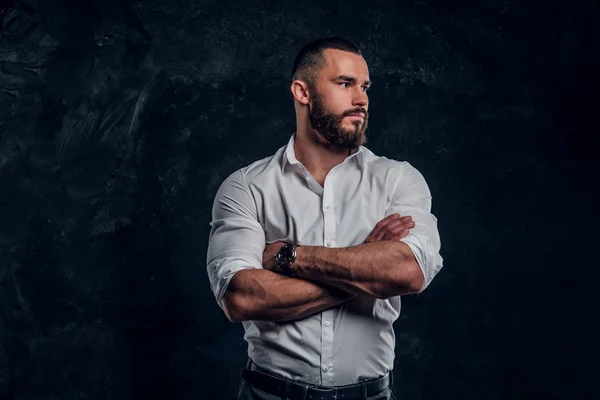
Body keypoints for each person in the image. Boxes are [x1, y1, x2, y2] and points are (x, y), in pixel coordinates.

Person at [206, 37, 444, 400]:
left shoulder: (398, 179)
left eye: (364, 87)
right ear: (302, 91)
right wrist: (365, 265)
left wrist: (291, 257)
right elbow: (241, 297)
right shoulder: (246, 187)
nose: (361, 99)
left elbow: (408, 272)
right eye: (345, 83)